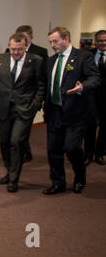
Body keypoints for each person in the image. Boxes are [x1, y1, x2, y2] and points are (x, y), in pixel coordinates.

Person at [0, 33, 46, 192]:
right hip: (3, 107)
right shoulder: (1, 58)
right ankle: (9, 170)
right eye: (13, 49)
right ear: (9, 46)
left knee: (16, 142)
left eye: (19, 49)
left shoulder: (35, 61)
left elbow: (41, 86)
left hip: (24, 109)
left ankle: (13, 179)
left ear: (26, 47)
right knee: (4, 142)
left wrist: (35, 105)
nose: (16, 52)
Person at [43, 27, 100, 195]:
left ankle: (80, 177)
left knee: (72, 147)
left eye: (55, 41)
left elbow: (95, 78)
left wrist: (82, 86)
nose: (52, 45)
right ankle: (58, 182)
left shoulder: (83, 57)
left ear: (66, 38)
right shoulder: (51, 61)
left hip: (76, 113)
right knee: (53, 150)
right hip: (54, 112)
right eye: (50, 42)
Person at [5, 25, 48, 163]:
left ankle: (21, 154)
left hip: (29, 100)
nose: (16, 51)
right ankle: (24, 152)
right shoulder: (7, 53)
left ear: (30, 37)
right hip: (11, 101)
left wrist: (38, 101)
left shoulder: (40, 53)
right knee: (14, 135)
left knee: (20, 133)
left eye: (25, 38)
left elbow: (42, 79)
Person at [84, 30, 106, 166]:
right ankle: (88, 154)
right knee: (89, 126)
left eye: (105, 40)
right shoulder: (88, 55)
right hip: (91, 96)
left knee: (104, 127)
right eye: (100, 41)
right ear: (95, 41)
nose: (103, 43)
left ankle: (100, 153)